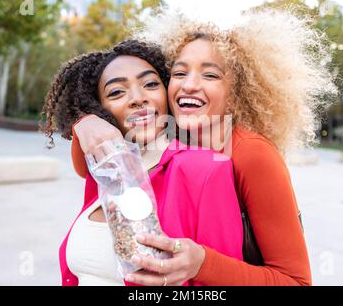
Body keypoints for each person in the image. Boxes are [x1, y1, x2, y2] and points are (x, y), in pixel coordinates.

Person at [71, 8, 339, 286]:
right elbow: (85, 168)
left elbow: (296, 281)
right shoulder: (171, 139)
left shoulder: (252, 154)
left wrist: (203, 264)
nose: (189, 85)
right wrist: (85, 120)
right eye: (179, 73)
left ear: (236, 93)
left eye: (210, 76)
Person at [41, 39, 243, 286]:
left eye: (150, 84)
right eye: (116, 92)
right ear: (98, 108)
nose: (138, 98)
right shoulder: (104, 170)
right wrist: (84, 122)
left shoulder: (204, 169)